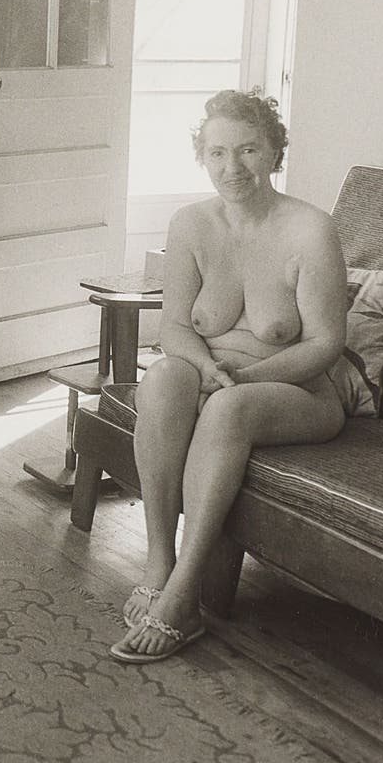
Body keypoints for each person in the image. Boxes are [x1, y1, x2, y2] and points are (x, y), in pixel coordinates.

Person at [111, 90, 348, 664]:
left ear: (274, 152)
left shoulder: (311, 230)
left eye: (248, 150)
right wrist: (206, 368)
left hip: (298, 392)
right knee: (162, 378)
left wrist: (244, 377)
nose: (232, 167)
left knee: (228, 407)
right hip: (212, 379)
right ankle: (159, 563)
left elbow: (325, 344)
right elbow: (173, 326)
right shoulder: (191, 224)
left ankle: (182, 595)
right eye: (217, 153)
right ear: (202, 156)